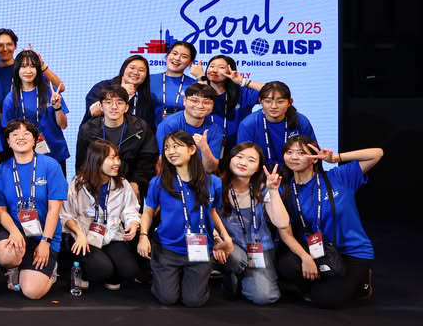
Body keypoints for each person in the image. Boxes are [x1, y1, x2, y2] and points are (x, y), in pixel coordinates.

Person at [275, 136, 383, 308]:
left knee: (326, 300)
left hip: (351, 251)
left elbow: (377, 154)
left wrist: (335, 158)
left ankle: (363, 280)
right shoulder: (284, 188)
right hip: (314, 252)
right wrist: (305, 258)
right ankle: (323, 280)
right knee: (286, 266)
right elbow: (284, 231)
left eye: (301, 153)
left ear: (314, 157)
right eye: (289, 152)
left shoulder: (339, 177)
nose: (294, 157)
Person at [137, 130, 233, 307]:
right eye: (166, 148)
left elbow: (212, 212)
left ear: (191, 149)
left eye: (176, 146)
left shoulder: (213, 182)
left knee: (194, 301)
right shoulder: (158, 182)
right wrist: (143, 236)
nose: (171, 152)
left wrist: (224, 237)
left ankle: (189, 277)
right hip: (168, 249)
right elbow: (148, 212)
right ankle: (166, 275)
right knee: (168, 298)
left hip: (200, 249)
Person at [0, 119, 66, 300]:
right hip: (16, 230)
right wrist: (14, 231)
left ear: (34, 140)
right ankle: (17, 265)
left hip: (44, 233)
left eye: (26, 134)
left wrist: (45, 242)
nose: (20, 137)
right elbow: (0, 210)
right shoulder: (2, 170)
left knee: (32, 292)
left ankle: (48, 271)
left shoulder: (51, 166)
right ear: (8, 142)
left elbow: (54, 210)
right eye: (14, 134)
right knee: (7, 256)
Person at [61, 139, 142, 291]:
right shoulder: (77, 185)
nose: (117, 162)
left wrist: (133, 223)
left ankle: (108, 271)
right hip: (85, 238)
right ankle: (83, 272)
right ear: (97, 160)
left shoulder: (123, 184)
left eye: (118, 157)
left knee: (129, 270)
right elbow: (66, 215)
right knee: (102, 269)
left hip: (111, 236)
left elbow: (130, 210)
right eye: (111, 158)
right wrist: (79, 234)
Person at [218, 142, 290, 305]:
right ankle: (232, 272)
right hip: (230, 246)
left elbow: (282, 222)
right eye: (239, 157)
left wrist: (273, 191)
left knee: (264, 297)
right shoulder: (217, 186)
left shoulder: (263, 188)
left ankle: (239, 278)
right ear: (230, 160)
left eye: (251, 160)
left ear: (258, 168)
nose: (243, 163)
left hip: (258, 248)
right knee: (236, 258)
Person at [75, 83, 158, 198]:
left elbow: (147, 160)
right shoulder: (88, 130)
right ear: (101, 106)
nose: (114, 107)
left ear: (126, 107)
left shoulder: (140, 128)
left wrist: (137, 183)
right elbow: (82, 163)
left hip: (130, 185)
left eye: (119, 103)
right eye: (108, 102)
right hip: (97, 186)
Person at [0, 50, 70, 170]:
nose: (28, 71)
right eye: (23, 66)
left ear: (38, 69)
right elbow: (8, 133)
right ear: (17, 70)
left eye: (32, 66)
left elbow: (63, 125)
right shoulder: (11, 99)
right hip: (26, 157)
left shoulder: (50, 91)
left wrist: (57, 107)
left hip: (55, 153)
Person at [236, 81, 317, 168]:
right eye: (268, 101)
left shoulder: (301, 121)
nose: (274, 106)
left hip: (294, 172)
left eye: (280, 102)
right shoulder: (248, 124)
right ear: (260, 101)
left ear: (290, 102)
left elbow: (312, 155)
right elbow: (244, 159)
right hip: (259, 175)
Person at [192, 55, 264, 150]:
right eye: (212, 66)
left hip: (238, 148)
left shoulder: (243, 93)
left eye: (221, 67)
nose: (214, 70)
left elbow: (275, 91)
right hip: (206, 146)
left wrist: (243, 81)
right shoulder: (196, 89)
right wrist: (201, 78)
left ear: (230, 71)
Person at [155, 83, 224, 172]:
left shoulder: (215, 130)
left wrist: (204, 148)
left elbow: (210, 168)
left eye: (206, 102)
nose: (200, 106)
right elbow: (162, 163)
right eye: (194, 101)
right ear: (184, 101)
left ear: (212, 105)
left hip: (202, 177)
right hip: (173, 176)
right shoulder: (169, 125)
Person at [83, 55, 156, 131]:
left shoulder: (145, 97)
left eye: (141, 70)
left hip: (132, 140)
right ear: (123, 69)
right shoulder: (102, 87)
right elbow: (94, 112)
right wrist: (121, 92)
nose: (135, 72)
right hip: (101, 139)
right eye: (132, 68)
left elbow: (149, 128)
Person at [150, 41, 198, 119]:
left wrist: (201, 77)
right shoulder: (150, 79)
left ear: (190, 62)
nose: (177, 58)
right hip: (151, 129)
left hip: (182, 130)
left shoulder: (194, 84)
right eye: (174, 53)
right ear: (167, 55)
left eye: (184, 56)